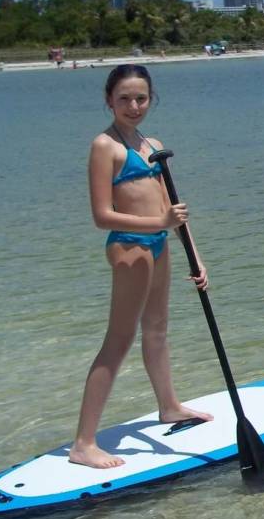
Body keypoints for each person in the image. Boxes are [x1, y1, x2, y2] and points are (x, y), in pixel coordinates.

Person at [69, 63, 213, 468]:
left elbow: (174, 211)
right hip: (130, 249)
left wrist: (196, 256)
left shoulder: (153, 144)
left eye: (141, 98)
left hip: (161, 244)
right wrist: (160, 225)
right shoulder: (105, 146)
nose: (134, 106)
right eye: (124, 99)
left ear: (151, 99)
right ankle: (83, 444)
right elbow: (102, 216)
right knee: (118, 340)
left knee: (157, 331)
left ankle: (169, 406)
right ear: (108, 100)